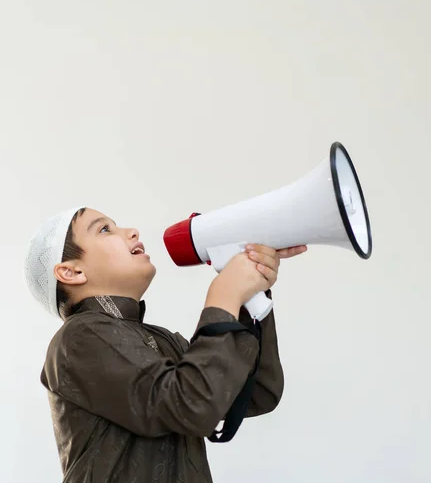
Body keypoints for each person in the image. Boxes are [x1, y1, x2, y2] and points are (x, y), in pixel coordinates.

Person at [24, 206, 306, 482]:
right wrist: (225, 292)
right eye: (105, 229)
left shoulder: (163, 341)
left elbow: (258, 391)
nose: (132, 232)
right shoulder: (79, 337)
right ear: (71, 273)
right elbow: (192, 404)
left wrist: (249, 296)